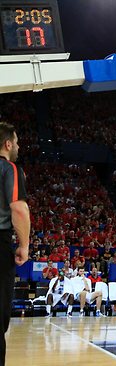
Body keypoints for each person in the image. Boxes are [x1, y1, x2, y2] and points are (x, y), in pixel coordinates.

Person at [0, 122, 29, 365]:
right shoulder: (9, 168)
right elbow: (18, 208)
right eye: (16, 142)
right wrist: (24, 245)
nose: (18, 146)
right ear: (8, 144)